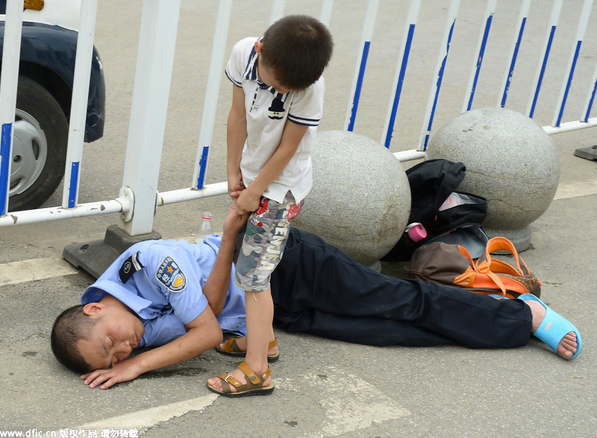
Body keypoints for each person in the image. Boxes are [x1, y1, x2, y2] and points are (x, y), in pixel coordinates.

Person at [51, 204, 582, 395]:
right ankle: (503, 327)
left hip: (285, 263)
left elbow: (207, 334)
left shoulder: (144, 265)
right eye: (115, 358)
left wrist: (136, 368)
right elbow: (207, 324)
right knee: (385, 331)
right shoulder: (133, 322)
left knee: (399, 301)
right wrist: (143, 354)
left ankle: (524, 312)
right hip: (271, 312)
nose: (124, 351)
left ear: (95, 308)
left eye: (111, 344)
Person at [222, 14, 333, 396]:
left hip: (280, 189)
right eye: (278, 83)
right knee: (248, 263)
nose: (282, 90)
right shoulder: (242, 53)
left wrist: (257, 191)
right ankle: (263, 341)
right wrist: (233, 169)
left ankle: (256, 370)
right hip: (254, 177)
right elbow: (237, 115)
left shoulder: (309, 86)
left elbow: (289, 148)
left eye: (290, 88)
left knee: (253, 276)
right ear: (260, 51)